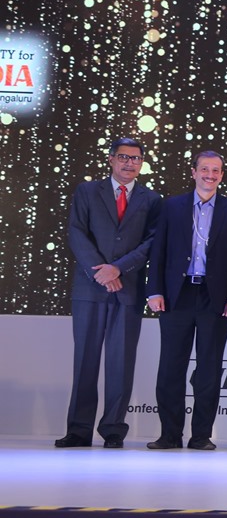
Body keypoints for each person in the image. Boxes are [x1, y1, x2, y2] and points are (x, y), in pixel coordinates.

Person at [57, 138, 162, 449]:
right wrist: (100, 272)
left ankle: (114, 429)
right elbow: (77, 232)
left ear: (142, 163)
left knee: (121, 362)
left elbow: (151, 242)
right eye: (124, 157)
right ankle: (78, 430)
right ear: (111, 159)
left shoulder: (151, 199)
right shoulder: (87, 191)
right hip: (90, 288)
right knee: (85, 360)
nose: (130, 163)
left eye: (136, 158)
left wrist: (118, 269)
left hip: (127, 290)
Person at [146, 150, 227, 450]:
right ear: (193, 172)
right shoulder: (171, 206)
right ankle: (169, 435)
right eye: (205, 169)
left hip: (214, 298)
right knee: (170, 368)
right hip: (176, 296)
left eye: (216, 170)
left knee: (209, 369)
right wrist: (154, 290)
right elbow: (158, 251)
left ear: (222, 175)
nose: (210, 175)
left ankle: (201, 435)